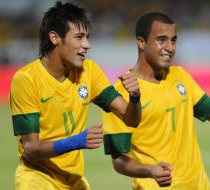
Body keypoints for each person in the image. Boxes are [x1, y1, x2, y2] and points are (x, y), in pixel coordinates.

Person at [102, 12, 210, 189]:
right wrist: (150, 170)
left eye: (173, 40)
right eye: (162, 40)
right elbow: (118, 160)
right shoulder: (121, 92)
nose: (170, 47)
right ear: (142, 42)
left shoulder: (180, 77)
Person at [9, 1, 141, 190]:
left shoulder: (90, 71)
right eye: (79, 37)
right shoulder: (27, 79)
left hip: (74, 180)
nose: (87, 45)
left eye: (87, 37)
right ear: (55, 38)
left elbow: (131, 119)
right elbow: (30, 150)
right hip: (37, 180)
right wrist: (76, 141)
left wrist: (135, 97)